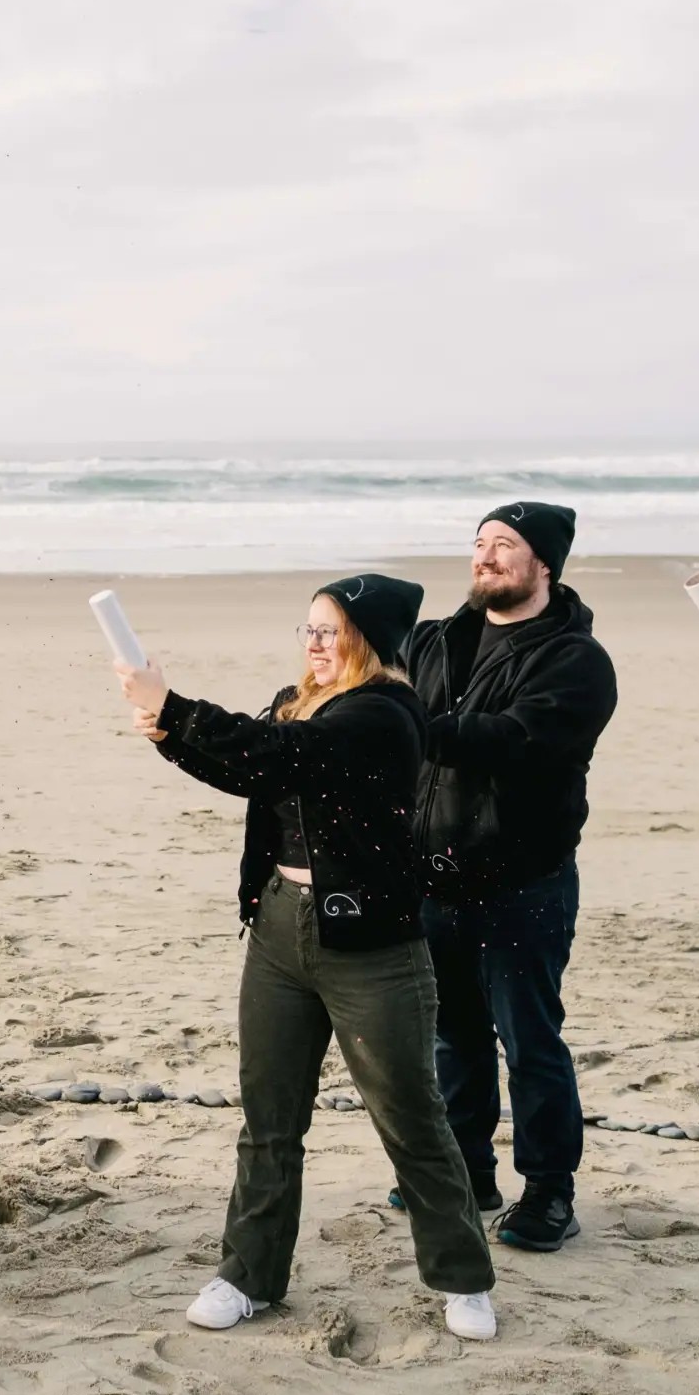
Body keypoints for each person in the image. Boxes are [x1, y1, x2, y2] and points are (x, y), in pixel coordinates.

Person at [116, 574, 498, 1341]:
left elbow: (287, 754)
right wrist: (170, 737)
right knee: (269, 1117)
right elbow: (252, 770)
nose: (314, 643)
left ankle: (463, 1278)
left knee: (413, 1118)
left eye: (330, 630)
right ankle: (248, 1274)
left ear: (368, 639)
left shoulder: (386, 712)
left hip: (374, 946)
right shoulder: (299, 698)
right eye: (310, 629)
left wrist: (178, 707)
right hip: (279, 929)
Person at [398, 502, 617, 1250]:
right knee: (453, 1038)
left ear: (544, 563)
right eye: (480, 543)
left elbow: (515, 738)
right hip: (435, 882)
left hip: (523, 883)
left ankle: (550, 1193)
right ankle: (467, 1170)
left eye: (505, 545)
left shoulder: (577, 661)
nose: (485, 557)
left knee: (531, 1041)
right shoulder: (436, 639)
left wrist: (410, 729)